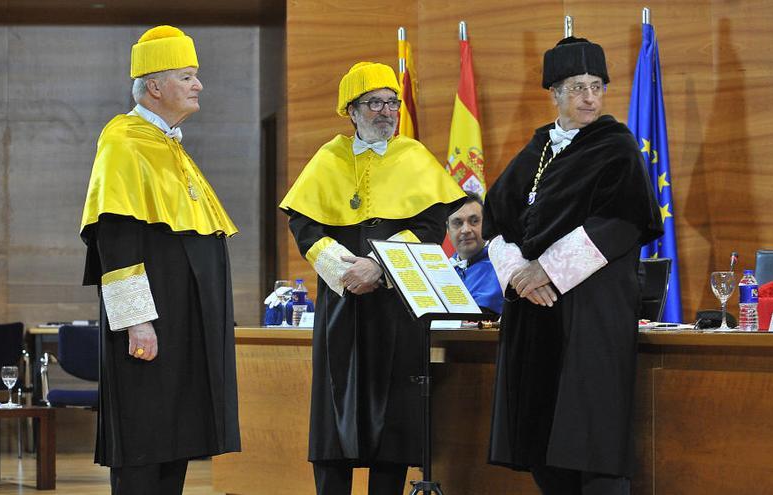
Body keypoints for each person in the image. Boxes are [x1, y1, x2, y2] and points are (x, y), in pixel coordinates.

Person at [483, 36, 663, 495]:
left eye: (597, 86)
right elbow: (496, 219)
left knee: (590, 436)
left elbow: (623, 220)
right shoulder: (538, 147)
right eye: (578, 87)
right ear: (555, 94)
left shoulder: (617, 146)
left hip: (591, 312)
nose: (589, 97)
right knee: (540, 438)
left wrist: (547, 270)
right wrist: (518, 277)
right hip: (534, 312)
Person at [279, 62, 465, 495]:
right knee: (333, 414)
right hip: (340, 303)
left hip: (396, 305)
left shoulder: (415, 157)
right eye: (374, 103)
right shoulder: (328, 157)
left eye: (391, 102)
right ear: (351, 111)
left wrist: (379, 267)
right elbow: (305, 227)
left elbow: (430, 226)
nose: (386, 111)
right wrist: (346, 272)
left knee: (393, 421)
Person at [79, 25, 241, 495]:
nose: (199, 85)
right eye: (187, 76)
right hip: (151, 320)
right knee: (146, 435)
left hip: (181, 318)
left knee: (176, 435)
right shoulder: (124, 139)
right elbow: (116, 237)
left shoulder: (170, 143)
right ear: (155, 86)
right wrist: (136, 321)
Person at [447, 192, 502, 315]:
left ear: (486, 224)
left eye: (474, 221)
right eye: (458, 223)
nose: (466, 230)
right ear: (448, 230)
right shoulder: (443, 269)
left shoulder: (499, 266)